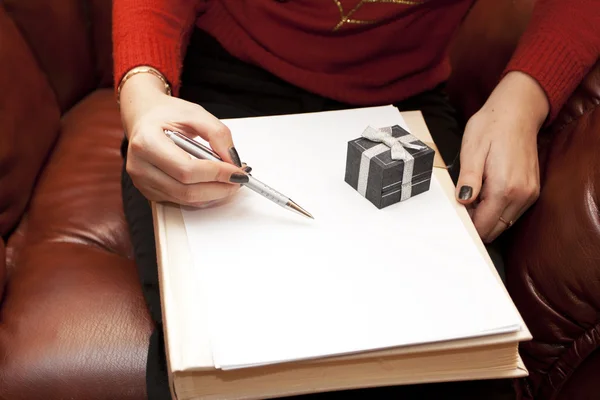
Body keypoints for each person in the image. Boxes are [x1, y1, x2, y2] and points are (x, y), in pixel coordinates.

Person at [112, 1, 599, 398]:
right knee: (222, 341)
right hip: (218, 91)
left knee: (452, 353)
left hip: (401, 103)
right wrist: (143, 94)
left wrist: (525, 97)